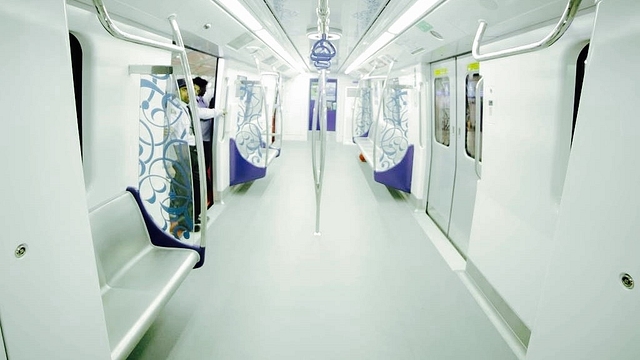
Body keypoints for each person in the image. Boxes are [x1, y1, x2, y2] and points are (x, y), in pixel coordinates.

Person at [175, 78, 225, 232]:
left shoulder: (189, 107)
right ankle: (186, 221)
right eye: (184, 90)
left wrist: (221, 111)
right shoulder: (173, 108)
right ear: (176, 91)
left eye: (190, 90)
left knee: (196, 183)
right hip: (183, 151)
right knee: (186, 187)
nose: (189, 93)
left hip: (193, 149)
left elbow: (204, 112)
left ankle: (195, 214)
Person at [193, 76, 216, 207]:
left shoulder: (203, 100)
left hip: (206, 139)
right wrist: (218, 112)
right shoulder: (194, 102)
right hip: (199, 140)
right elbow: (202, 114)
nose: (202, 90)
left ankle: (206, 189)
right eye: (200, 88)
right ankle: (204, 190)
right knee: (201, 166)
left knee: (206, 164)